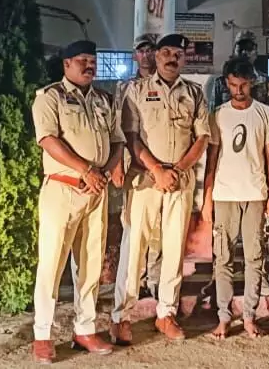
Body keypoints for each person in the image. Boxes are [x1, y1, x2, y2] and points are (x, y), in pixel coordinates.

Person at [112, 34, 211, 343]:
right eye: (166, 52)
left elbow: (202, 137)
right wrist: (157, 170)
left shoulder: (194, 93)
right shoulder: (136, 90)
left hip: (179, 181)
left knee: (173, 249)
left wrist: (177, 171)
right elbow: (130, 136)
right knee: (134, 248)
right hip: (145, 179)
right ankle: (121, 316)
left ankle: (166, 313)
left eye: (178, 54)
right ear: (156, 57)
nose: (172, 58)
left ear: (185, 59)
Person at [30, 40, 125, 363]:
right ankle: (42, 334)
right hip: (63, 189)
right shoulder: (50, 97)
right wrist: (85, 170)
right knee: (52, 264)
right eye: (82, 60)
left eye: (92, 60)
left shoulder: (104, 100)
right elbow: (48, 139)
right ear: (66, 64)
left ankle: (84, 329)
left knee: (91, 264)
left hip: (96, 191)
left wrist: (104, 173)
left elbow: (117, 141)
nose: (89, 65)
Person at [202, 57, 269, 340]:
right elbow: (212, 158)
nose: (238, 90)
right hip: (224, 195)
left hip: (255, 194)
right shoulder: (218, 114)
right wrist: (207, 197)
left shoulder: (265, 113)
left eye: (243, 85)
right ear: (227, 83)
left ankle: (248, 315)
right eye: (234, 85)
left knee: (254, 258)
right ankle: (224, 317)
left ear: (252, 83)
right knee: (222, 258)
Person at [109, 33, 162, 330]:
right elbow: (118, 129)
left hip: (161, 165)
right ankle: (135, 283)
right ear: (135, 56)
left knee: (160, 230)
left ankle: (154, 282)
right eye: (142, 51)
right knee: (133, 226)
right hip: (134, 165)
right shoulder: (125, 87)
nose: (147, 55)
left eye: (151, 50)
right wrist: (117, 163)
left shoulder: (164, 85)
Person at [207, 30, 269, 110]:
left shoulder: (266, 82)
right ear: (234, 51)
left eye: (249, 48)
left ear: (256, 52)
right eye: (240, 48)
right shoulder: (221, 83)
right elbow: (212, 113)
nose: (244, 52)